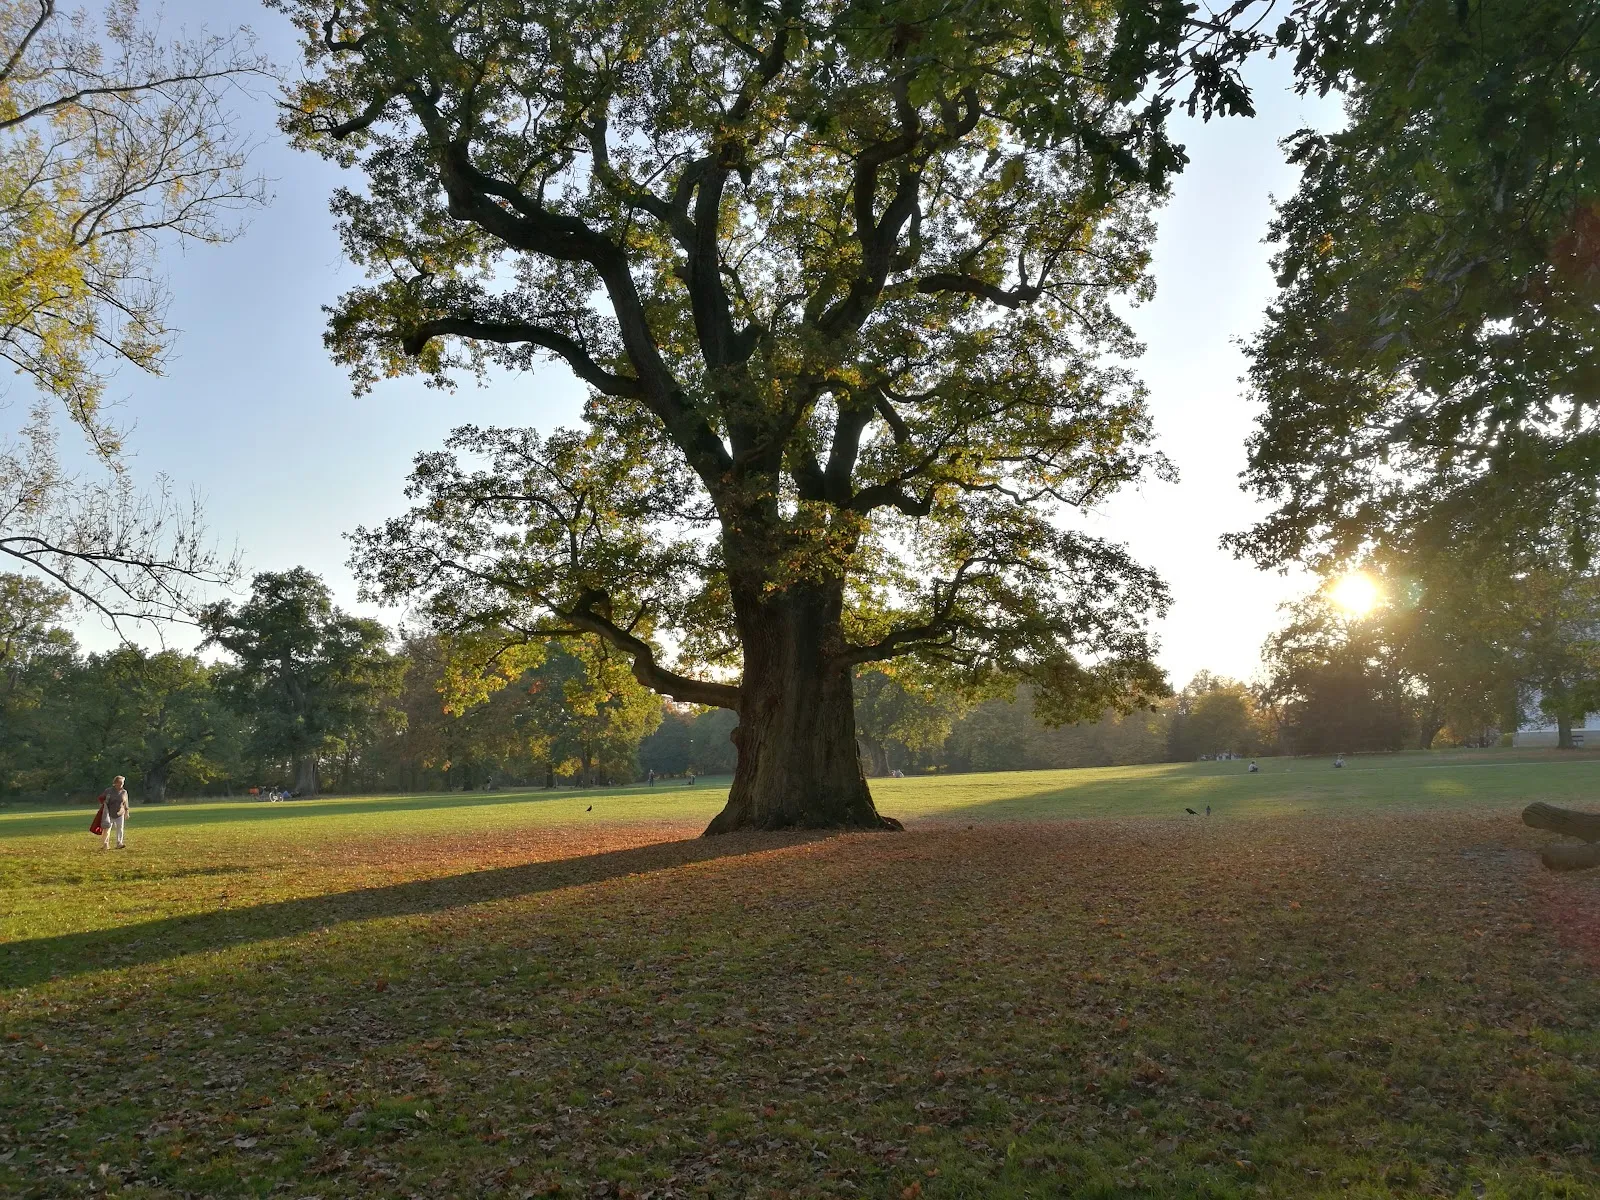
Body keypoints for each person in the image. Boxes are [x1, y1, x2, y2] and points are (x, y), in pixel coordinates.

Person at [102, 776, 129, 850]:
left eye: (122, 783)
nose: (121, 785)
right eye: (119, 783)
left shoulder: (124, 792)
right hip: (109, 813)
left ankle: (119, 843)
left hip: (120, 813)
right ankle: (105, 843)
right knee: (107, 829)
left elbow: (125, 802)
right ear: (115, 783)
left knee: (120, 828)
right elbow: (102, 799)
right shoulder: (108, 791)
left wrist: (127, 811)